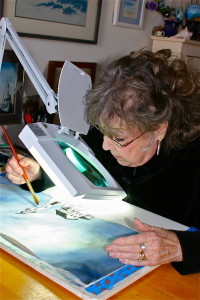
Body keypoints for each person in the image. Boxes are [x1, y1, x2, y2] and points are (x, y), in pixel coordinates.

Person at [5, 49, 200, 275]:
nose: (105, 145)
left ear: (158, 129)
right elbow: (84, 172)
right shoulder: (108, 130)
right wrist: (38, 172)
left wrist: (181, 248)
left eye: (118, 138)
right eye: (102, 131)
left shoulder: (193, 157)